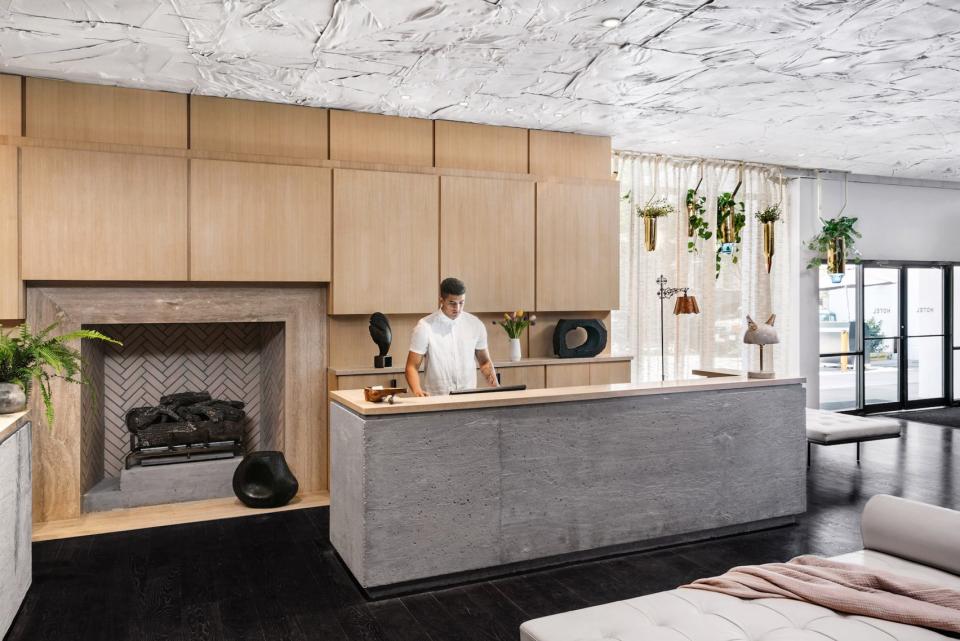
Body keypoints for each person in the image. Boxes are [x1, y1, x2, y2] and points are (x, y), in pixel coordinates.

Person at [405, 277, 498, 396]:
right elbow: (412, 366)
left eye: (461, 302)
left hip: (469, 397)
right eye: (452, 303)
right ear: (441, 300)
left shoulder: (475, 324)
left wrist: (496, 386)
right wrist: (417, 391)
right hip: (437, 398)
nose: (457, 308)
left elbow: (484, 362)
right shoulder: (425, 327)